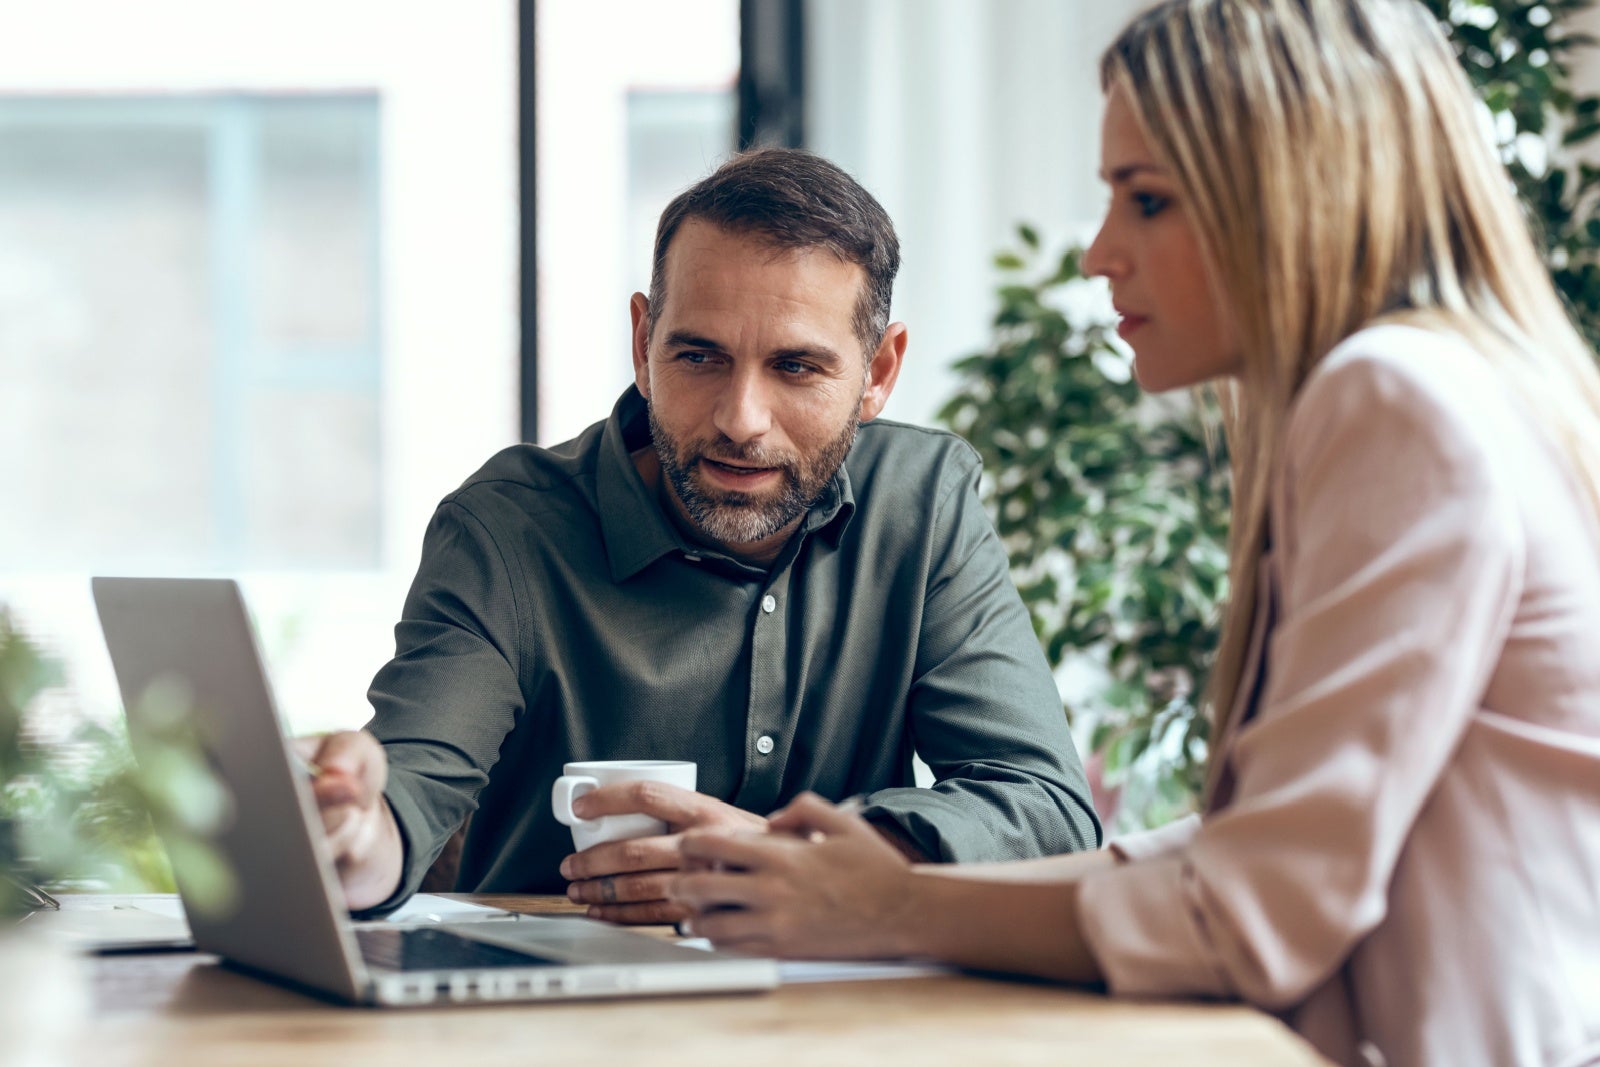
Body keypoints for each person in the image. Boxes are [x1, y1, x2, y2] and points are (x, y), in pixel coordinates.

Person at [667, 3, 1600, 1065]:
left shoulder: (1394, 400)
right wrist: (884, 884)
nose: (1101, 253)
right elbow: (1258, 849)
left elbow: (1252, 912)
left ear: (1292, 197)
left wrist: (885, 908)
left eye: (1146, 200)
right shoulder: (1464, 383)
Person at [300, 148, 1102, 927]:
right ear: (644, 344)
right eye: (698, 355)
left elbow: (1046, 805)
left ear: (879, 372)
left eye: (796, 368)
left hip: (844, 1017)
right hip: (555, 1020)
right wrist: (358, 838)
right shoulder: (508, 529)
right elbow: (402, 800)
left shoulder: (925, 504)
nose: (739, 420)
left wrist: (802, 857)